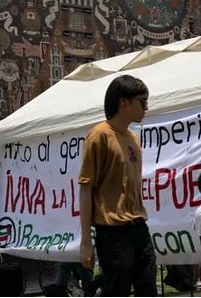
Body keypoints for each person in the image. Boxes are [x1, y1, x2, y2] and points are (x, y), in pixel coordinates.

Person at [78, 74, 157, 296]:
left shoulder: (134, 138)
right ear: (124, 101)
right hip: (112, 232)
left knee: (149, 288)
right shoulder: (99, 136)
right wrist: (86, 242)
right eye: (142, 101)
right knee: (116, 291)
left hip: (139, 226)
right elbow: (86, 188)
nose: (146, 108)